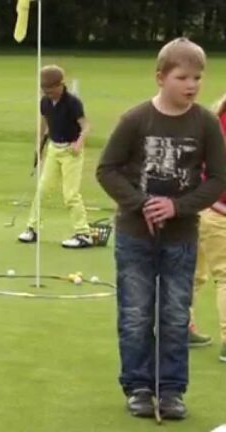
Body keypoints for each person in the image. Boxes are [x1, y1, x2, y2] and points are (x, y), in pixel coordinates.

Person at [96, 37, 226, 420]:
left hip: (182, 237)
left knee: (173, 314)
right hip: (135, 236)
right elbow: (107, 170)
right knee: (136, 313)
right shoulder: (136, 119)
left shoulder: (204, 122)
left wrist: (177, 206)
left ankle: (171, 390)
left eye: (198, 78)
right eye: (182, 77)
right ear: (160, 77)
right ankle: (137, 385)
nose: (192, 85)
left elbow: (218, 179)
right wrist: (141, 203)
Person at [18, 64, 93, 248]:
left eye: (51, 90)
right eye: (44, 90)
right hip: (54, 149)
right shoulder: (44, 102)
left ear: (61, 85)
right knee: (43, 190)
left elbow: (86, 126)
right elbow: (44, 126)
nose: (48, 93)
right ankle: (32, 228)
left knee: (70, 194)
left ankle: (84, 234)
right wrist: (39, 148)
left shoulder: (73, 102)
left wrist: (78, 143)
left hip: (71, 152)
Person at [188, 93, 226, 358]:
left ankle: (177, 328)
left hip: (202, 205)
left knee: (193, 273)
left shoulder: (217, 118)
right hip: (218, 210)